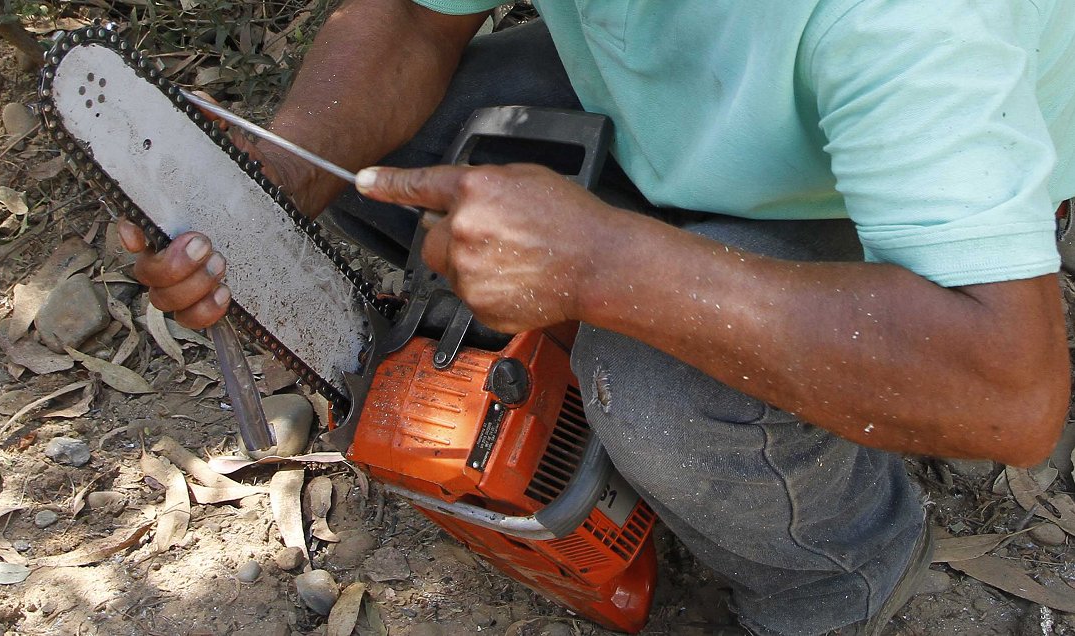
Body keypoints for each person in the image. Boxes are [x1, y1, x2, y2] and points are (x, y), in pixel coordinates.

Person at [117, 1, 1075, 633]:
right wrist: (271, 185)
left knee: (658, 389)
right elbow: (409, 21)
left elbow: (1008, 388)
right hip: (690, 95)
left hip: (855, 183)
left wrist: (605, 265)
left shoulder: (910, 21)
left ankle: (841, 568)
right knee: (411, 143)